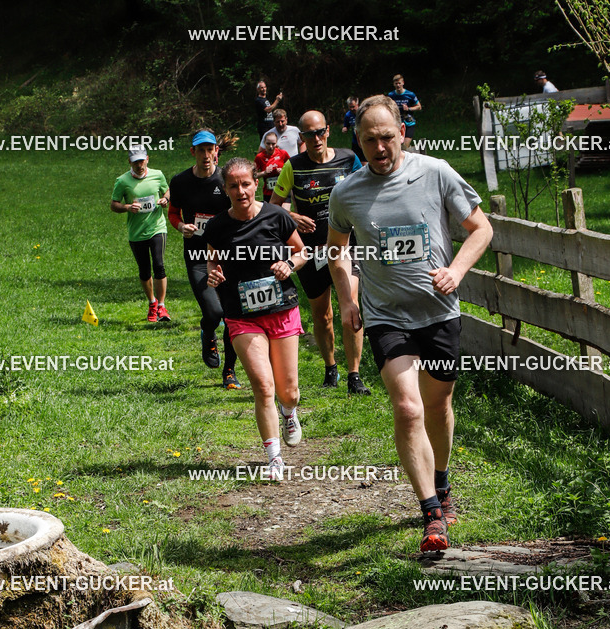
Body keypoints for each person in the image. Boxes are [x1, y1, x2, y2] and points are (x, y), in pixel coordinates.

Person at [327, 95, 493, 552]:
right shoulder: (346, 192)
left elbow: (481, 228)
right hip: (385, 315)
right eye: (369, 140)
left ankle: (442, 480)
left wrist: (456, 271)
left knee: (437, 405)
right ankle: (431, 514)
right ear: (357, 142)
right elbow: (337, 250)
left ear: (402, 132)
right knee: (407, 407)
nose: (379, 147)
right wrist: (347, 300)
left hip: (438, 312)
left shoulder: (436, 172)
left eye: (386, 137)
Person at [204, 157, 308, 480]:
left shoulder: (277, 216)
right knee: (263, 386)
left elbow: (302, 252)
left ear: (255, 183)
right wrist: (213, 274)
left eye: (246, 184)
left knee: (288, 391)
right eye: (233, 186)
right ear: (225, 189)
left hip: (281, 310)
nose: (241, 191)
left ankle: (288, 411)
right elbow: (212, 261)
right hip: (241, 315)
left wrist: (288, 265)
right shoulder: (217, 226)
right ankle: (274, 458)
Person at [271, 109, 371, 396]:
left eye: (320, 132)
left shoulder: (348, 159)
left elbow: (366, 194)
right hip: (312, 252)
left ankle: (354, 375)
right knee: (322, 314)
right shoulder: (293, 166)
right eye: (309, 134)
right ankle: (330, 368)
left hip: (346, 247)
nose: (316, 138)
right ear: (301, 137)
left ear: (328, 131)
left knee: (351, 304)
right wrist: (293, 217)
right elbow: (274, 206)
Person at [168, 130, 241, 387]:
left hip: (227, 255)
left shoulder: (226, 180)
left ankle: (229, 371)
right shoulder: (180, 182)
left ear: (216, 151)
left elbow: (240, 210)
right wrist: (181, 227)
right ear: (193, 152)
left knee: (232, 314)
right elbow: (173, 212)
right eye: (201, 150)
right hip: (198, 255)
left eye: (210, 149)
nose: (206, 155)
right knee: (214, 311)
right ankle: (208, 331)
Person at [110, 144, 171, 322]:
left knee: (159, 265)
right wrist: (128, 207)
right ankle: (152, 303)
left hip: (157, 227)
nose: (139, 165)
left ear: (147, 159)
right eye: (135, 162)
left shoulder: (157, 175)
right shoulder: (122, 181)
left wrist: (165, 199)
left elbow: (167, 191)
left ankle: (162, 306)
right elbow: (114, 204)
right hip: (136, 232)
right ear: (129, 162)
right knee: (144, 270)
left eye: (142, 161)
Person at [388, 74, 422, 149]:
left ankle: (410, 151)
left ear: (403, 83)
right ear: (393, 84)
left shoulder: (410, 94)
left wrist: (408, 109)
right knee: (397, 146)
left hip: (409, 123)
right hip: (397, 123)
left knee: (405, 146)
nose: (398, 85)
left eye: (399, 83)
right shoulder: (391, 95)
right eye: (396, 83)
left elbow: (419, 107)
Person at [255, 132, 289, 202]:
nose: (271, 147)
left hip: (283, 190)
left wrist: (283, 171)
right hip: (268, 192)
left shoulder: (283, 153)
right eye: (268, 144)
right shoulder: (259, 157)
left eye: (273, 144)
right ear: (264, 143)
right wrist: (264, 173)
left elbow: (292, 169)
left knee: (284, 209)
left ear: (276, 143)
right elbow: (253, 175)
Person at [342, 95, 364, 162]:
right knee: (355, 160)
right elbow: (346, 125)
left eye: (353, 107)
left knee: (364, 161)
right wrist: (345, 128)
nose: (351, 109)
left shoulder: (363, 113)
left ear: (357, 105)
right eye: (350, 107)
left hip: (364, 140)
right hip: (355, 141)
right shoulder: (348, 115)